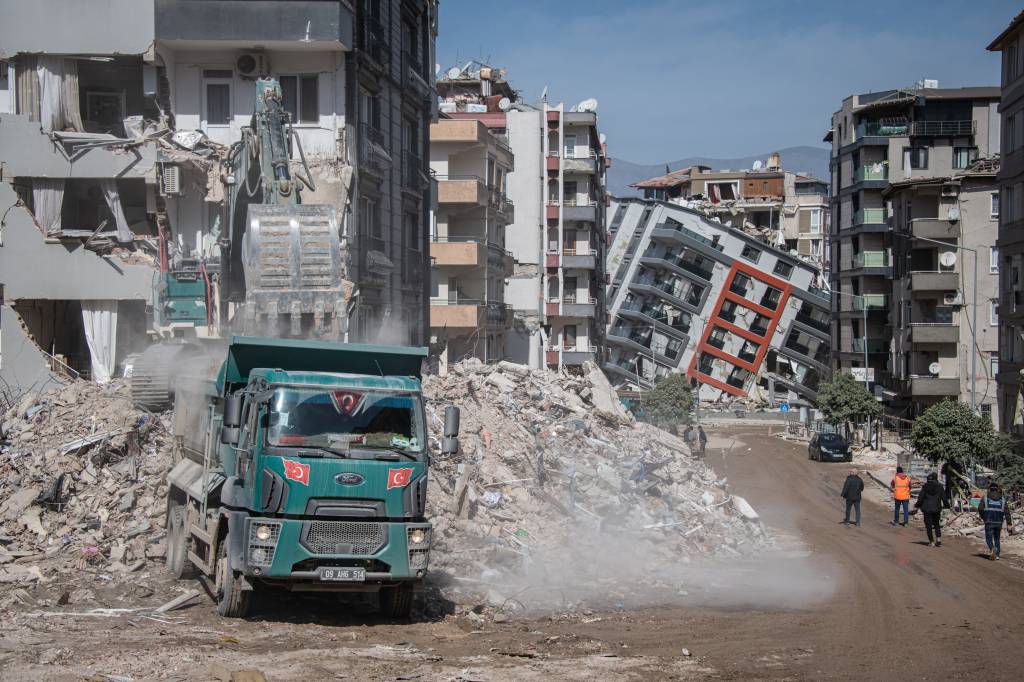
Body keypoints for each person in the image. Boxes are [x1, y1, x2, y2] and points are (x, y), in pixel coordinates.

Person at [978, 483, 1015, 561]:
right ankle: (997, 555)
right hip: (999, 523)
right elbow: (1007, 512)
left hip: (989, 521)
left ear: (989, 489)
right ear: (997, 489)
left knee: (988, 538)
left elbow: (980, 508)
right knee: (997, 539)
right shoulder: (1002, 499)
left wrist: (984, 517)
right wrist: (1009, 524)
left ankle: (992, 549)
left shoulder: (985, 498)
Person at [913, 472, 948, 546]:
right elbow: (944, 498)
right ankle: (938, 539)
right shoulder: (940, 486)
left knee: (928, 525)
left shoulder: (925, 487)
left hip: (927, 508)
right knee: (936, 524)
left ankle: (931, 541)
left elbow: (921, 498)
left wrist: (917, 506)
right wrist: (947, 506)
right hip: (936, 508)